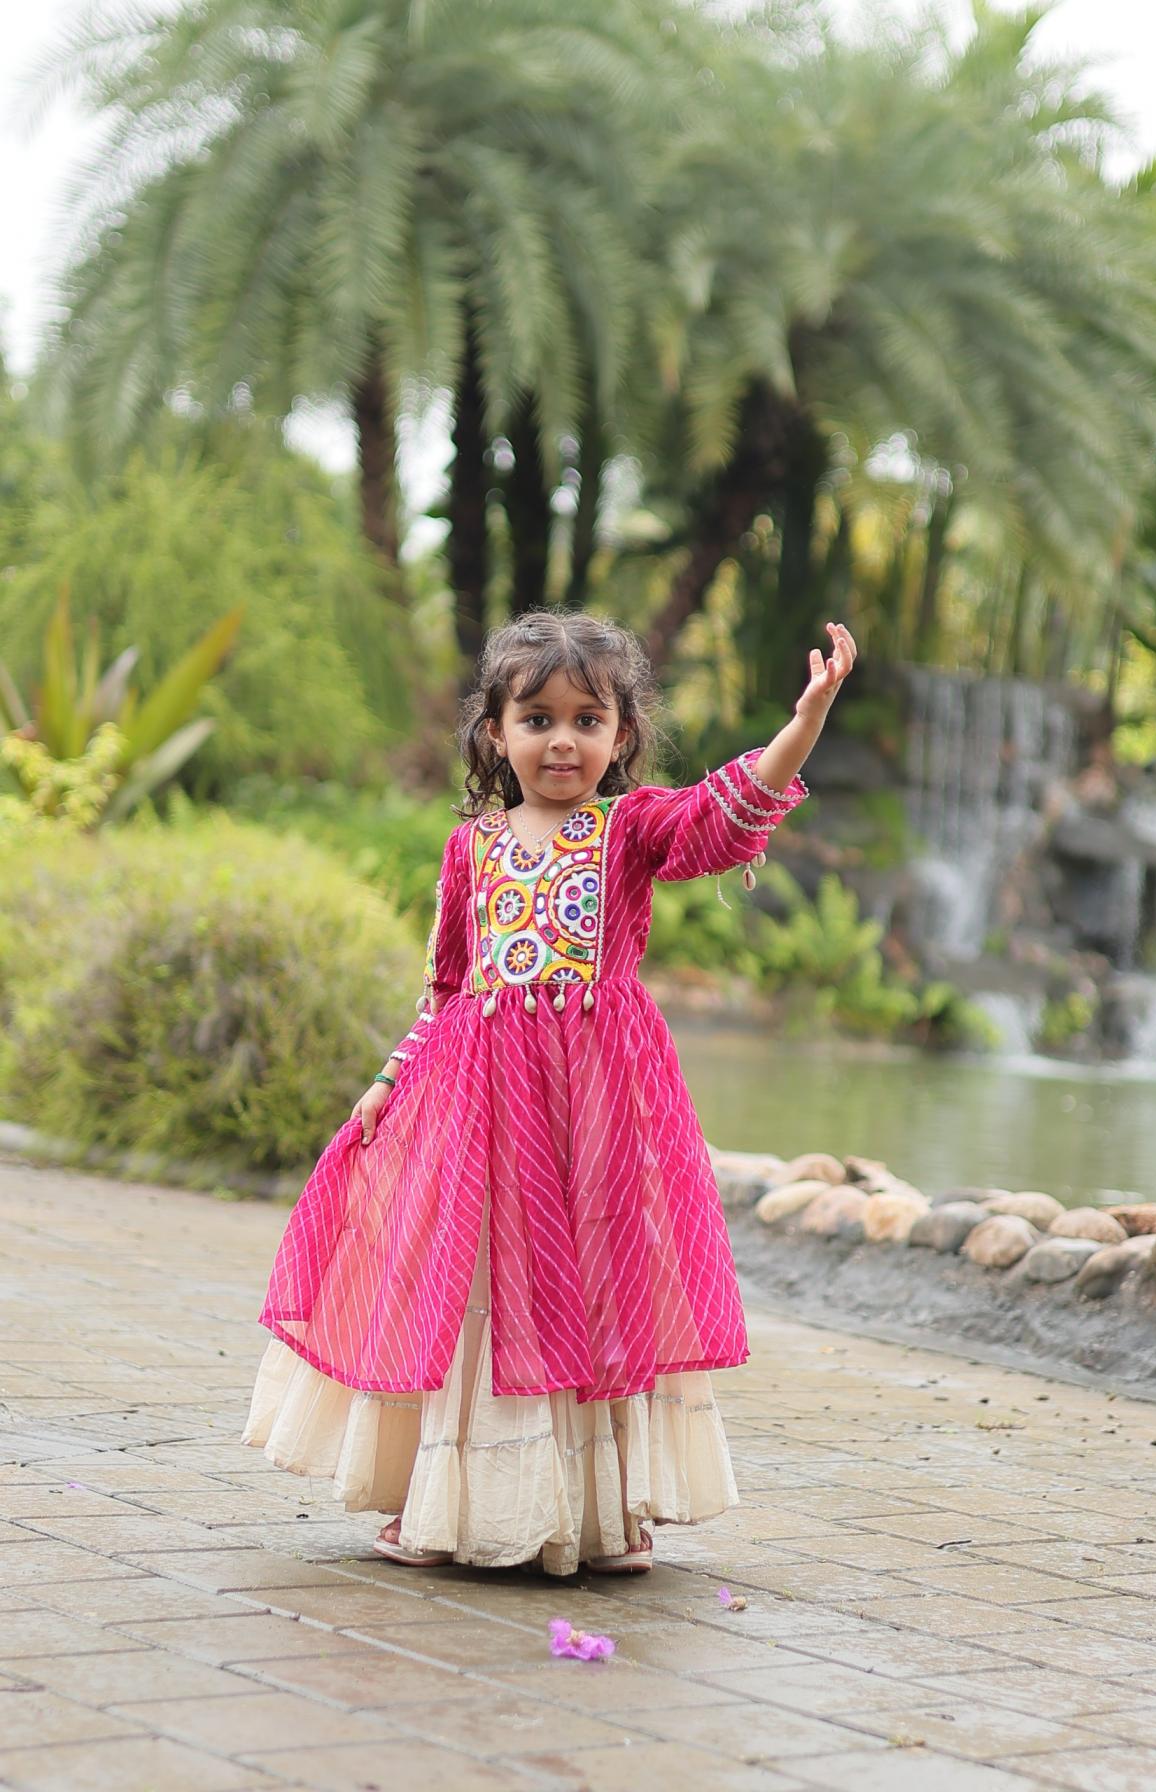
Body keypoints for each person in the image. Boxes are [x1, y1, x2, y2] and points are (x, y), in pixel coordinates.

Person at [243, 609, 856, 1576]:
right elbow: (450, 987)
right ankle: (445, 1501)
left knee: (599, 1282)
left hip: (599, 1106)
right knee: (480, 1284)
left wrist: (805, 721)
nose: (562, 740)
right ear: (496, 733)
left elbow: (725, 809)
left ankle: (604, 1512)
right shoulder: (472, 848)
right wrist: (390, 1078)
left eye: (586, 720)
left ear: (622, 735)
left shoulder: (629, 829)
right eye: (537, 719)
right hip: (482, 1107)